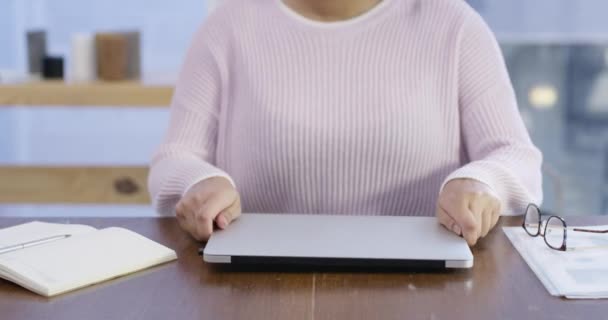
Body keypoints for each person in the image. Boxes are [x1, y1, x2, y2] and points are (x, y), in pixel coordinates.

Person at [148, 0, 543, 246]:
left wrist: (481, 181)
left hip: (429, 282)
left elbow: (514, 155)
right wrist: (199, 182)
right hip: (252, 281)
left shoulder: (455, 24)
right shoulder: (228, 26)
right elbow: (175, 157)